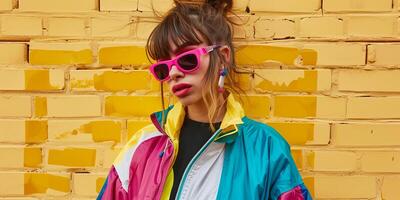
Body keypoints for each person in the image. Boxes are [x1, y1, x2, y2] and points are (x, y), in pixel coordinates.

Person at [97, 0, 312, 199]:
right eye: (164, 68)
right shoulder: (142, 147)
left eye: (188, 59)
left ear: (223, 58)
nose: (173, 74)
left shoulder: (266, 148)